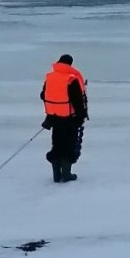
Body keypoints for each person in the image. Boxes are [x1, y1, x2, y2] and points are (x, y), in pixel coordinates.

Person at [39, 54, 88, 183]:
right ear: (70, 64)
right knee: (69, 145)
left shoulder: (50, 78)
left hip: (54, 118)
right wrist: (81, 116)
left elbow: (43, 95)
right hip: (69, 119)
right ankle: (66, 174)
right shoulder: (71, 79)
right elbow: (77, 101)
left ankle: (56, 174)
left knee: (57, 144)